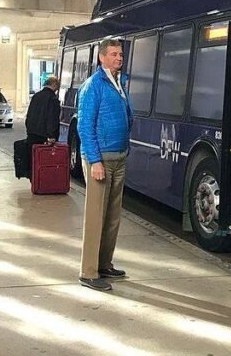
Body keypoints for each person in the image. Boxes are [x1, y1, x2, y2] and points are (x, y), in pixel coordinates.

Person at [76, 39, 132, 292]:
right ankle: (88, 272)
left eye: (120, 54)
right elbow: (84, 126)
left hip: (118, 157)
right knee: (96, 216)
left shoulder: (119, 83)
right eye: (113, 54)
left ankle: (104, 264)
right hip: (101, 160)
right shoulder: (93, 86)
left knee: (112, 217)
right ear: (101, 58)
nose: (119, 58)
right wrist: (95, 160)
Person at [25, 76, 61, 146]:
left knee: (32, 154)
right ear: (54, 85)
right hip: (44, 136)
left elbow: (29, 114)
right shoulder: (53, 98)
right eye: (57, 88)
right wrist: (52, 135)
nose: (57, 90)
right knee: (42, 155)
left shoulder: (36, 96)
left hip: (31, 133)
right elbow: (52, 118)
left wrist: (29, 129)